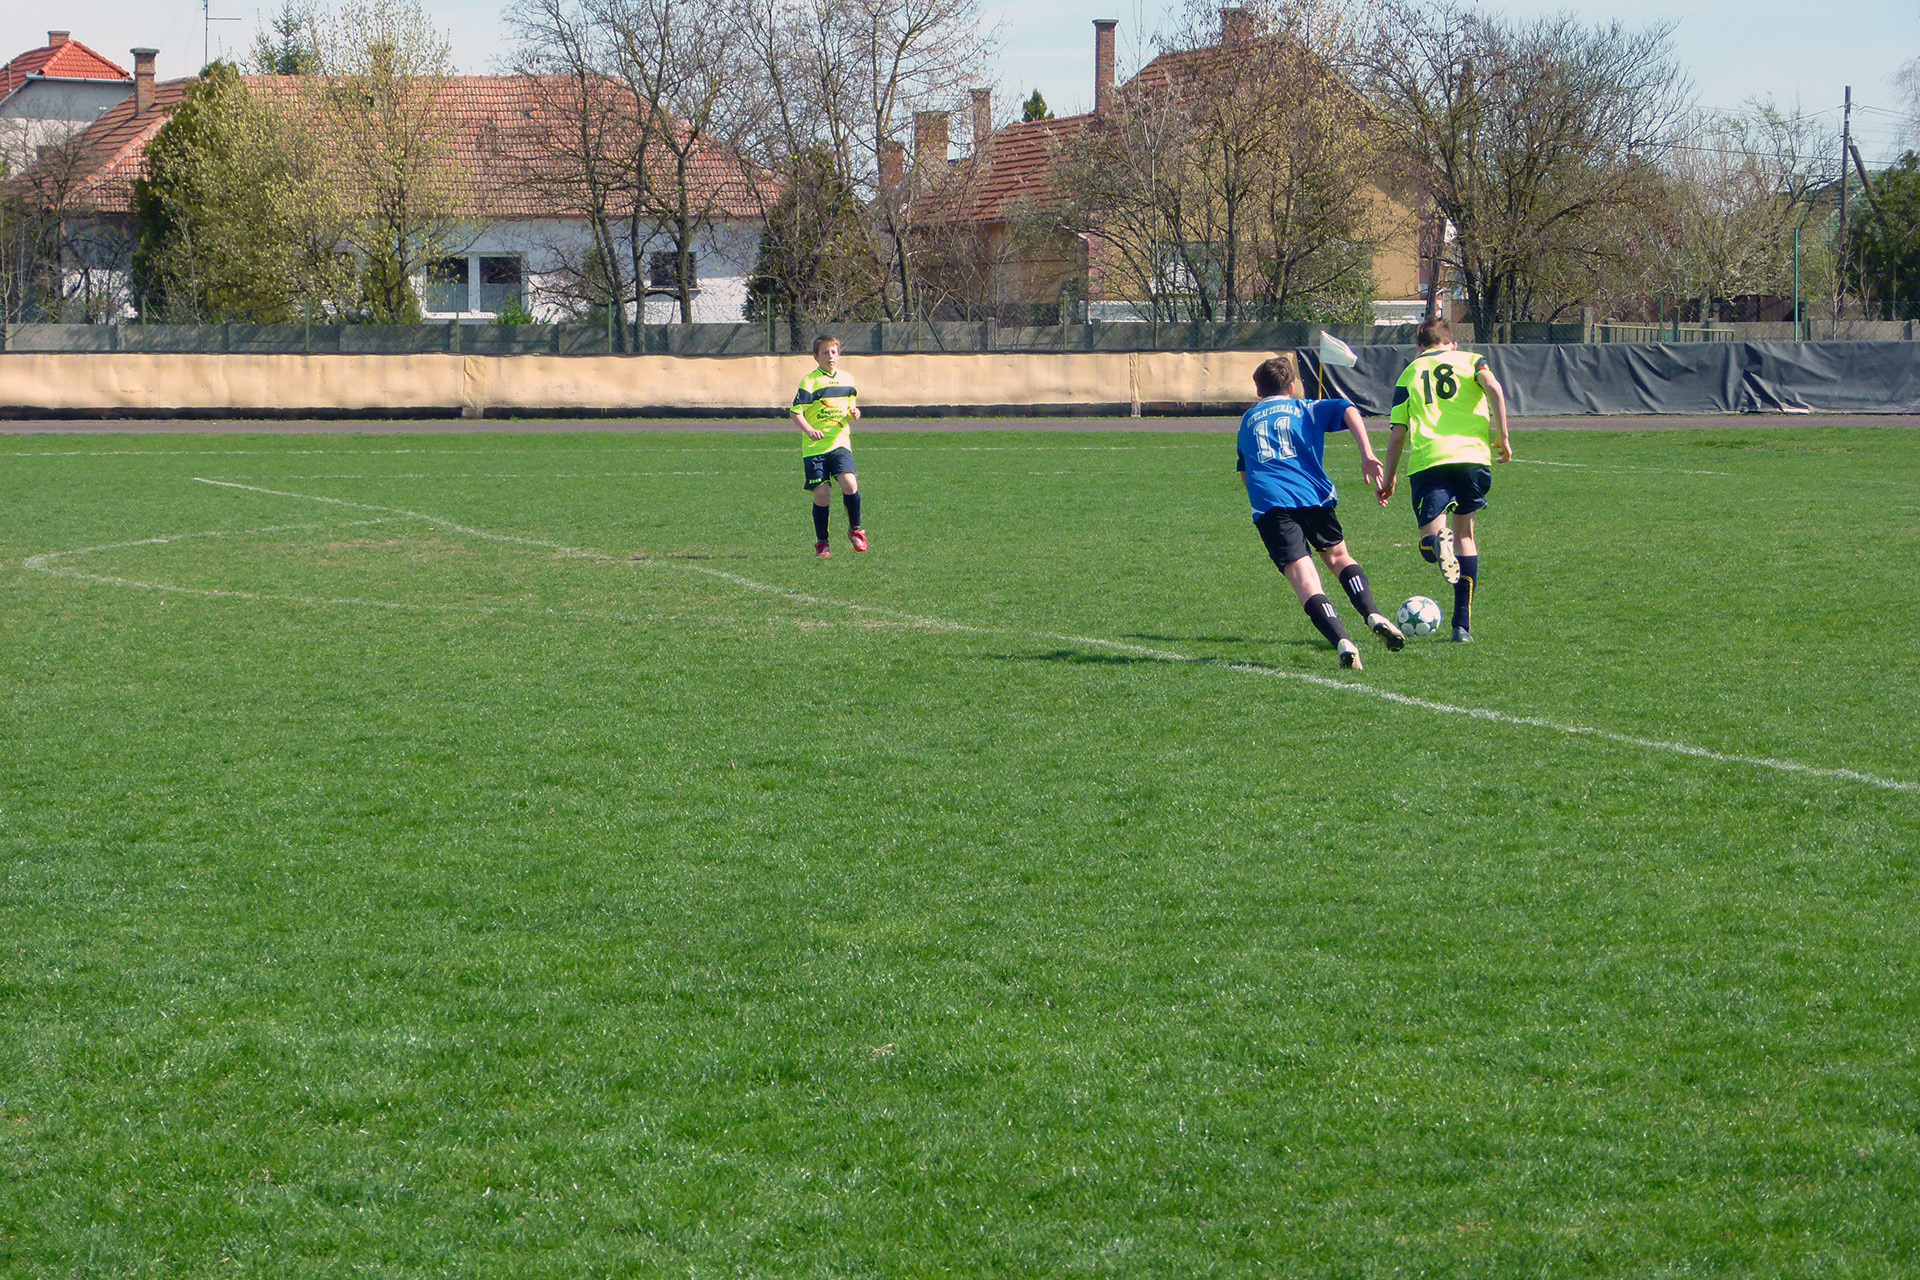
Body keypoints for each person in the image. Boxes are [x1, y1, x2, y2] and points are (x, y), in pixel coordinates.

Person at [1237, 352, 1403, 670]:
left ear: (1258, 390)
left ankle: (1343, 641)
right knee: (1339, 558)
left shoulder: (1248, 420)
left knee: (1305, 578)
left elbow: (1246, 473)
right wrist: (1367, 455)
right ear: (1291, 387)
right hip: (1313, 495)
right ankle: (1372, 614)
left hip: (1271, 503)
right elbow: (1348, 409)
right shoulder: (1305, 407)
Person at [1377, 318, 1511, 642]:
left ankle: (1437, 543)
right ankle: (1462, 627)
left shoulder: (1409, 373)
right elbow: (1494, 387)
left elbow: (1397, 434)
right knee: (1465, 536)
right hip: (1473, 458)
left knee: (1430, 544)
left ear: (1420, 347)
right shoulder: (1472, 360)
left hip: (1430, 461)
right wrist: (1503, 436)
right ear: (1453, 344)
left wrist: (1389, 478)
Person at [790, 336, 866, 557]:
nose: (830, 356)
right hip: (815, 448)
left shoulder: (847, 380)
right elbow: (795, 412)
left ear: (839, 355)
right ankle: (822, 543)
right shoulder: (810, 382)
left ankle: (856, 530)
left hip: (839, 442)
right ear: (816, 357)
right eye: (824, 352)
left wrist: (854, 413)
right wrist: (809, 430)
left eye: (833, 352)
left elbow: (850, 408)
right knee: (822, 495)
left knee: (850, 484)